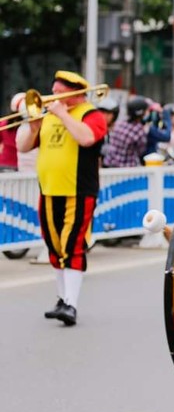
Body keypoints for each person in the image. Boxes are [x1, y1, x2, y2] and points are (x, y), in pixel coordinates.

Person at [16, 71, 108, 326]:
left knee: (72, 246)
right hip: (48, 190)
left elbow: (87, 138)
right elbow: (23, 146)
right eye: (53, 91)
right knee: (54, 246)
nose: (52, 97)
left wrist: (63, 114)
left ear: (75, 93)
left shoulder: (92, 115)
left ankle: (71, 304)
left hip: (77, 191)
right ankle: (61, 298)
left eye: (58, 92)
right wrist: (32, 125)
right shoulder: (47, 116)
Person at [103, 97, 148, 168]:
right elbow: (141, 150)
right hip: (126, 167)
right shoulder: (139, 129)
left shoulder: (120, 122)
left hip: (109, 163)